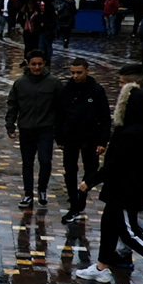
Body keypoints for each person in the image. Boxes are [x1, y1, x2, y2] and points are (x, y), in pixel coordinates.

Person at [73, 64, 143, 283]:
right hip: (121, 186)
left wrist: (90, 181)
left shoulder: (133, 132)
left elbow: (115, 164)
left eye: (121, 84)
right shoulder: (139, 126)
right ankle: (102, 266)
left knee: (130, 233)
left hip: (126, 188)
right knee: (110, 224)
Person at [55, 58, 111, 225]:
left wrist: (103, 141)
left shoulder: (96, 90)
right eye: (73, 73)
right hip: (70, 136)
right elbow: (59, 115)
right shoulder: (66, 90)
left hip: (90, 136)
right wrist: (59, 137)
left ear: (87, 70)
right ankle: (74, 203)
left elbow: (105, 117)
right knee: (70, 170)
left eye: (79, 72)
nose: (75, 76)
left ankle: (82, 195)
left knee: (91, 169)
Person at [6, 50, 62, 210]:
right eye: (33, 64)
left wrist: (60, 131)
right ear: (28, 64)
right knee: (27, 163)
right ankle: (28, 193)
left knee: (45, 161)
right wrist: (10, 125)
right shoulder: (20, 83)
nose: (37, 67)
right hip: (26, 129)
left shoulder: (54, 83)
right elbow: (13, 105)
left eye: (39, 64)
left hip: (46, 129)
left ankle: (42, 190)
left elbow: (61, 107)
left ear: (44, 64)